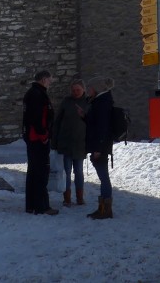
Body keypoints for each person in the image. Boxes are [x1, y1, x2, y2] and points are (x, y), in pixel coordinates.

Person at [22, 70, 57, 215]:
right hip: (37, 139)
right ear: (43, 80)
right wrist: (43, 135)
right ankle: (41, 205)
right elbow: (37, 118)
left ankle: (31, 205)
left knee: (34, 171)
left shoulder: (32, 93)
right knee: (41, 172)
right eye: (49, 80)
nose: (51, 82)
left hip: (33, 138)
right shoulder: (38, 95)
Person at [52, 78, 90, 206]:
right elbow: (57, 122)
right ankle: (67, 198)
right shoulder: (66, 102)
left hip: (80, 143)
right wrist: (55, 141)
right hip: (65, 142)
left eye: (78, 90)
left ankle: (80, 198)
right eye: (73, 90)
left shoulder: (88, 102)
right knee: (66, 172)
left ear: (83, 89)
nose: (75, 92)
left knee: (78, 172)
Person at [85, 75, 115, 220]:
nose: (87, 91)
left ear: (95, 89)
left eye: (89, 89)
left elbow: (101, 128)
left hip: (101, 146)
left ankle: (105, 209)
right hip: (101, 145)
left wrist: (97, 149)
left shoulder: (101, 103)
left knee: (104, 178)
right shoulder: (101, 102)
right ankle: (103, 208)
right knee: (103, 177)